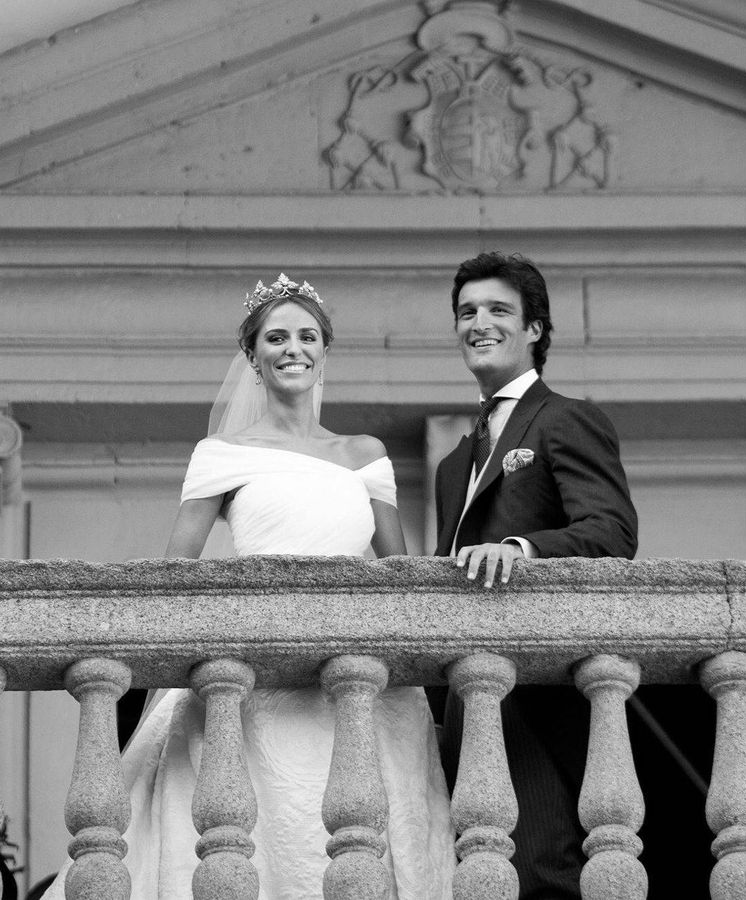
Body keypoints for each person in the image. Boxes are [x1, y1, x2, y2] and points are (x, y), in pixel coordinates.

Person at [43, 274, 454, 899]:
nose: (294, 348)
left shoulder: (364, 454)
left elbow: (397, 575)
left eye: (308, 336)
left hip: (351, 686)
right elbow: (174, 576)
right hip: (258, 680)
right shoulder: (221, 453)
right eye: (278, 337)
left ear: (324, 352)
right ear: (253, 357)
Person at [432, 251, 638, 899]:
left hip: (539, 692)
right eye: (467, 312)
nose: (479, 323)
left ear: (535, 330)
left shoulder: (565, 418)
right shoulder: (453, 463)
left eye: (498, 310)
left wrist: (523, 548)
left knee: (543, 863)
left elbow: (612, 532)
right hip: (469, 692)